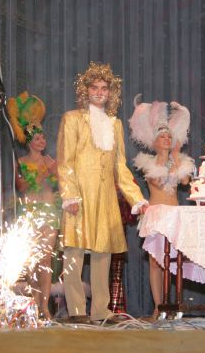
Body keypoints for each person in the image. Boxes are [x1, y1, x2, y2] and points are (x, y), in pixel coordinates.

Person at [57, 62, 148, 324]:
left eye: (104, 88)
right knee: (74, 252)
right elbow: (65, 161)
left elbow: (120, 167)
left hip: (105, 197)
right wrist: (69, 194)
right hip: (79, 195)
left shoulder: (115, 124)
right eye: (94, 87)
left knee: (103, 254)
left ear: (111, 93)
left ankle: (100, 311)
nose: (99, 92)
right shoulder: (72, 119)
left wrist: (136, 199)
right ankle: (76, 310)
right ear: (85, 91)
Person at [129, 98, 194, 317]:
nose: (166, 139)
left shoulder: (179, 160)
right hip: (157, 215)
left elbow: (184, 181)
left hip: (174, 215)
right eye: (162, 137)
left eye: (169, 136)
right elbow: (159, 182)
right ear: (154, 142)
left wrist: (175, 158)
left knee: (175, 261)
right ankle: (158, 306)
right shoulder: (147, 162)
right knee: (156, 262)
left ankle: (173, 305)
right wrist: (170, 161)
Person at [8, 91, 62, 320]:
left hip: (49, 213)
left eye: (43, 137)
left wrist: (55, 173)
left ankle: (45, 307)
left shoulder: (51, 162)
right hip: (29, 214)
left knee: (46, 261)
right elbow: (21, 187)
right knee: (31, 262)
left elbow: (61, 186)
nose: (41, 141)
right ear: (29, 141)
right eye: (37, 138)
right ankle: (34, 304)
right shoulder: (20, 162)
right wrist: (42, 175)